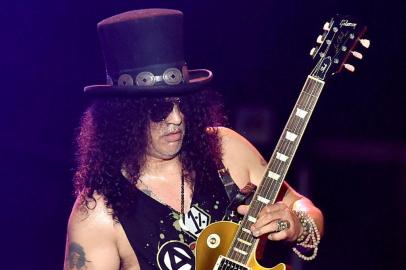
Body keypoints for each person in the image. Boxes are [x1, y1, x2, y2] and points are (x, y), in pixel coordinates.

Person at [64, 9, 324, 270]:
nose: (176, 118)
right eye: (160, 110)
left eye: (182, 104)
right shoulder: (99, 212)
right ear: (125, 118)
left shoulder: (226, 149)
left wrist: (298, 225)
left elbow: (304, 207)